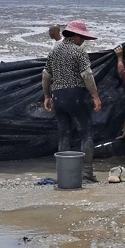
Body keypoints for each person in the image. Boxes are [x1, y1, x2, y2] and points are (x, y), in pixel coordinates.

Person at [42, 20, 101, 182]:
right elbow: (87, 75)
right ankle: (87, 173)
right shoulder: (78, 52)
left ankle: (63, 173)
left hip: (57, 97)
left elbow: (46, 76)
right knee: (86, 133)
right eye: (82, 37)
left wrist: (47, 96)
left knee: (64, 134)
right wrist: (95, 96)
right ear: (75, 36)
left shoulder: (53, 52)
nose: (83, 41)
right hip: (75, 95)